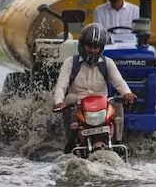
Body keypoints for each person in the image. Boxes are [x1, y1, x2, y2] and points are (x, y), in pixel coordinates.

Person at [52, 23, 137, 153]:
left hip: (103, 106)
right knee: (70, 98)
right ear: (82, 45)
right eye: (89, 46)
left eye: (96, 47)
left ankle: (118, 140)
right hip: (79, 106)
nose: (92, 50)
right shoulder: (70, 62)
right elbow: (61, 85)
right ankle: (71, 141)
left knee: (118, 103)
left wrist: (127, 93)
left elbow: (119, 81)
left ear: (101, 48)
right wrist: (58, 101)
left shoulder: (108, 62)